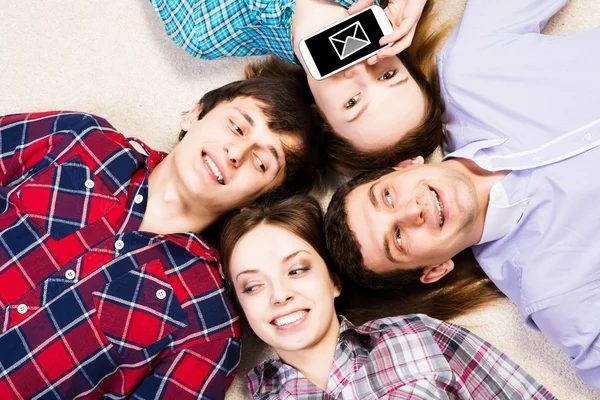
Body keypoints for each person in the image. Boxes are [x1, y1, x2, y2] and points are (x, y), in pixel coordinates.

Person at [324, 0, 600, 390]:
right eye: (398, 239)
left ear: (406, 166)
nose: (410, 212)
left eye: (387, 197)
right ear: (435, 270)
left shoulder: (469, 70)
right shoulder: (556, 295)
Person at [0, 75, 322, 399]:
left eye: (261, 162)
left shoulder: (209, 325)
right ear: (194, 115)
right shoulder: (80, 137)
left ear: (256, 201)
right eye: (237, 127)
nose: (236, 152)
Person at [218, 194, 555, 399]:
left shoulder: (421, 337)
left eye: (297, 270)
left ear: (334, 281)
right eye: (253, 286)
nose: (280, 295)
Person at [149, 0, 446, 173]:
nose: (360, 70)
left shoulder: (202, 33)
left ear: (318, 116)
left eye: (353, 102)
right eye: (388, 76)